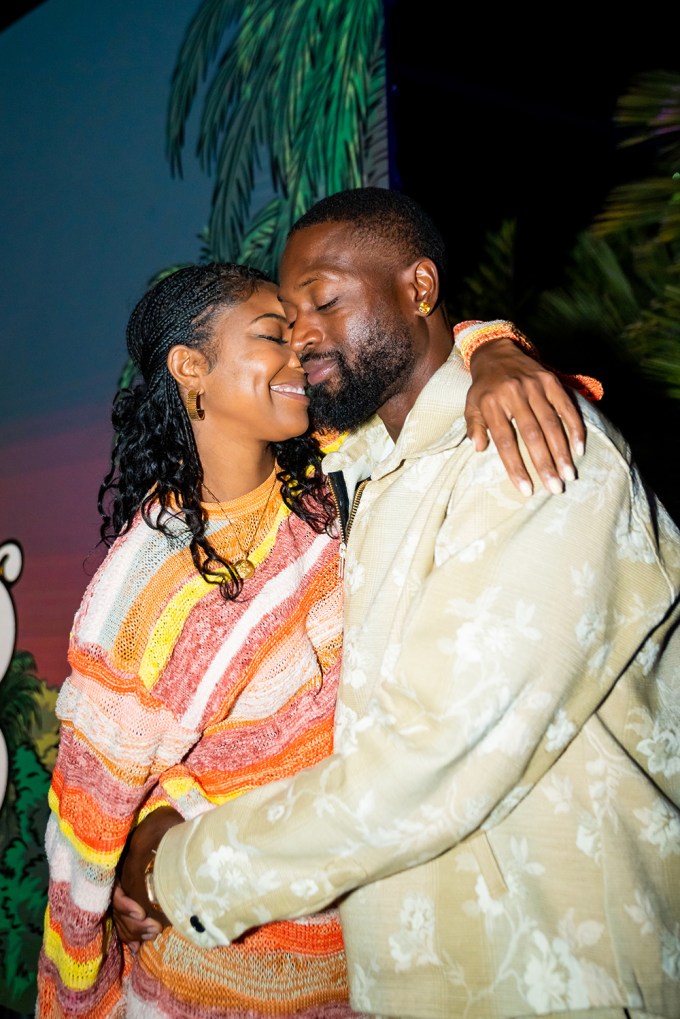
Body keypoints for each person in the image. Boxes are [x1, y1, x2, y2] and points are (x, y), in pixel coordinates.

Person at [120, 188, 680, 1019]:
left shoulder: (530, 449)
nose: (301, 335)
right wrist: (489, 343)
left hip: (562, 975)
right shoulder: (369, 472)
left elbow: (425, 763)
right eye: (286, 316)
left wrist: (178, 871)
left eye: (328, 301)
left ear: (420, 289)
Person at [36, 257, 577, 1017]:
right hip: (216, 979)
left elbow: (422, 362)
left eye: (298, 335)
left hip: (371, 956)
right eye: (271, 336)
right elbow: (86, 821)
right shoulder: (142, 589)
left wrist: (495, 350)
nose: (301, 355)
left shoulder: (335, 469)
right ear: (191, 367)